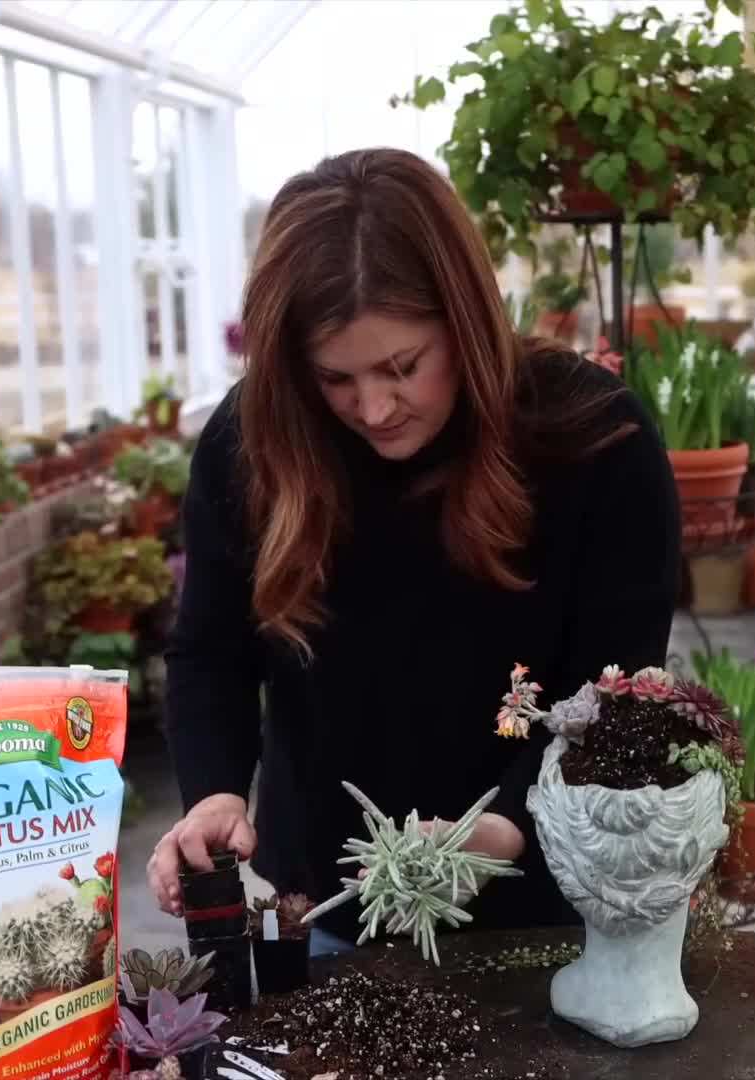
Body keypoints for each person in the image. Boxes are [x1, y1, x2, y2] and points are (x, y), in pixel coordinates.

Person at [146, 148, 681, 946]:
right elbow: (212, 653)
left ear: (462, 320)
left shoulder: (594, 441)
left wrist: (502, 828)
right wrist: (216, 793)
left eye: (403, 367)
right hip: (326, 904)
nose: (373, 407)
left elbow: (615, 695)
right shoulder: (253, 440)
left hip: (543, 906)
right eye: (335, 378)